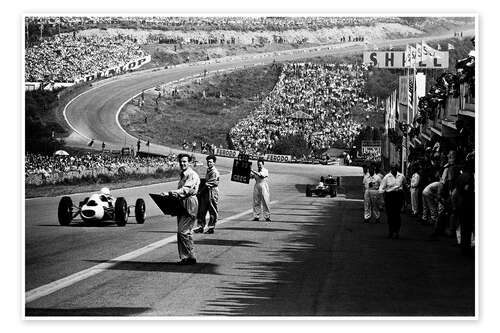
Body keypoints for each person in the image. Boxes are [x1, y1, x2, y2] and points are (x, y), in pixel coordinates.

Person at [162, 153, 200, 265]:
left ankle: (191, 256)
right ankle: (185, 257)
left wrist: (170, 193)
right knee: (180, 231)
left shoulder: (192, 175)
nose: (182, 163)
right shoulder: (183, 175)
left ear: (189, 163)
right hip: (182, 203)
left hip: (190, 202)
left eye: (185, 161)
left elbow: (185, 190)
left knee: (183, 231)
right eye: (181, 162)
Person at [193, 155, 220, 234]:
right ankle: (201, 226)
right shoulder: (209, 170)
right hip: (206, 191)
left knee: (212, 209)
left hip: (212, 191)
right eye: (208, 162)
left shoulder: (215, 172)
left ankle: (211, 227)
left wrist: (200, 191)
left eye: (211, 162)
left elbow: (208, 183)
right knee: (202, 209)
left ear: (214, 163)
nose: (209, 163)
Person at [379, 165, 406, 239]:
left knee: (397, 215)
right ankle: (391, 231)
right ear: (390, 169)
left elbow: (405, 184)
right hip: (390, 197)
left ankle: (396, 231)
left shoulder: (401, 176)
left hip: (398, 196)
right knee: (390, 215)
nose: (394, 170)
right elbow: (381, 189)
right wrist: (385, 193)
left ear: (397, 169)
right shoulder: (387, 177)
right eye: (392, 168)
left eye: (395, 169)